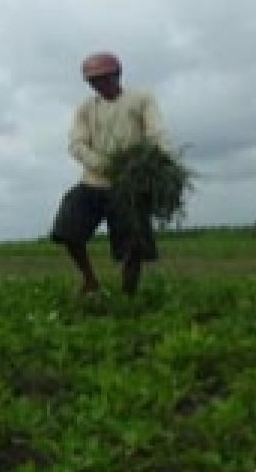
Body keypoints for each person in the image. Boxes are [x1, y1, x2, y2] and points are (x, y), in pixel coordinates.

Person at [51, 52, 170, 296]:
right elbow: (77, 145)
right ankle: (90, 281)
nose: (100, 85)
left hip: (130, 185)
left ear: (117, 75)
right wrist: (105, 164)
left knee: (132, 245)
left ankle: (128, 295)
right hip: (93, 182)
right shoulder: (86, 108)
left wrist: (159, 159)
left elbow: (157, 134)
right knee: (67, 230)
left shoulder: (141, 99)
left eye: (105, 78)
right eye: (94, 81)